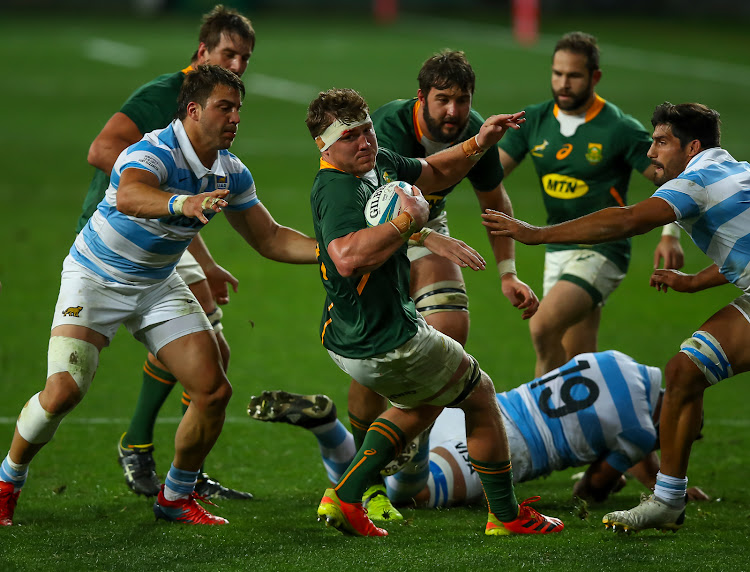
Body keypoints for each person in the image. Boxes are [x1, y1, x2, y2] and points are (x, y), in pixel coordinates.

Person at [0, 65, 317, 527]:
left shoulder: (230, 171)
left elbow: (270, 238)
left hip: (157, 284)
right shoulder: (153, 150)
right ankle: (8, 479)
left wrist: (333, 253)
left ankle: (175, 496)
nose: (235, 119)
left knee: (211, 390)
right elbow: (130, 195)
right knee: (64, 391)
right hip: (95, 278)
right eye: (224, 108)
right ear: (193, 110)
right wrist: (180, 202)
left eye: (238, 110)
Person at [305, 87, 563, 537]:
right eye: (350, 136)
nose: (365, 142)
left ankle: (347, 495)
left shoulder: (376, 162)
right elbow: (346, 256)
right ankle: (505, 516)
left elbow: (434, 169)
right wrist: (409, 222)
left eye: (367, 130)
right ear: (324, 145)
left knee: (422, 401)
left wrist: (479, 142)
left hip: (349, 335)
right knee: (480, 395)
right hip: (386, 339)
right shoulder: (337, 189)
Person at [482, 101, 745, 533]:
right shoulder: (735, 172)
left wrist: (536, 235)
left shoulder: (696, 180)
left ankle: (666, 498)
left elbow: (625, 221)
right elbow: (743, 244)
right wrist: (696, 281)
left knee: (684, 373)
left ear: (692, 146)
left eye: (661, 142)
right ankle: (667, 501)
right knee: (684, 372)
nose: (651, 153)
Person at [340, 51, 538, 519]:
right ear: (421, 97)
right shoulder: (386, 128)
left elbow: (495, 200)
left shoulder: (476, 129)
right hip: (370, 230)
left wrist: (508, 272)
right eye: (443, 100)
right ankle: (364, 480)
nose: (453, 112)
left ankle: (408, 461)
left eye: (462, 100)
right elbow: (379, 206)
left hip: (427, 222)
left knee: (448, 335)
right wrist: (429, 238)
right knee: (372, 357)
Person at [78, 5, 256, 499]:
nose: (238, 66)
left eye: (245, 57)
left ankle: (162, 455)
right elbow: (101, 149)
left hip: (163, 225)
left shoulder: (218, 109)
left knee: (212, 353)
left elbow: (185, 200)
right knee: (205, 356)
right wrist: (149, 184)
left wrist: (204, 253)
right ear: (202, 52)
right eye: (228, 54)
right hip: (123, 229)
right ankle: (148, 452)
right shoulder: (166, 94)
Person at [248, 351, 709, 506]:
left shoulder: (618, 362)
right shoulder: (641, 434)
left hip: (482, 410)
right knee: (411, 495)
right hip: (507, 450)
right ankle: (336, 429)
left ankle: (402, 427)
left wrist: (654, 470)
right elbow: (591, 489)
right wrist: (641, 476)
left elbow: (613, 420)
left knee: (377, 478)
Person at [497, 31, 684, 377]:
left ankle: (542, 425)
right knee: (577, 363)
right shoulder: (535, 120)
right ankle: (597, 424)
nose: (563, 83)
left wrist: (671, 234)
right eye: (557, 73)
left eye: (573, 75)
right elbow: (491, 175)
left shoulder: (618, 128)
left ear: (595, 77)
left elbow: (673, 178)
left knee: (542, 328)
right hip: (557, 247)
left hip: (603, 249)